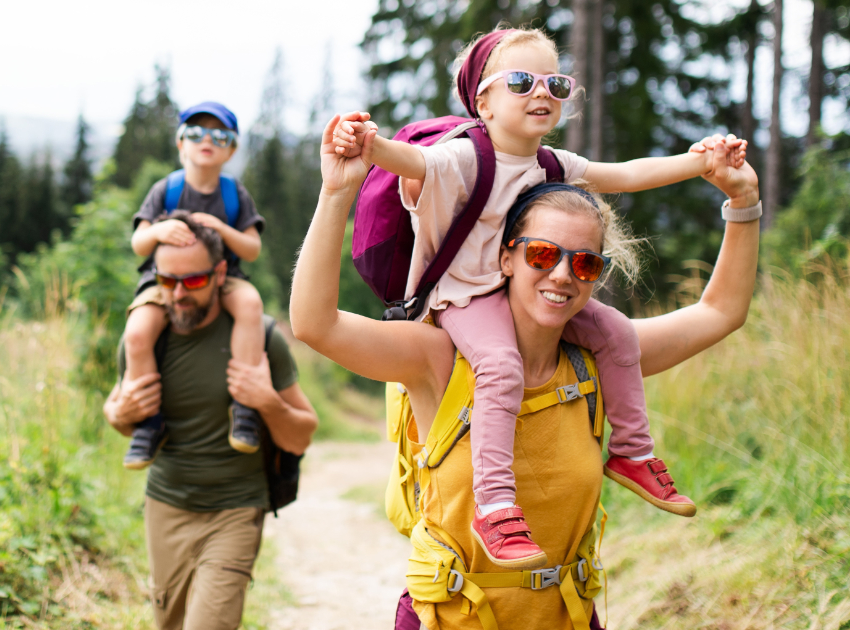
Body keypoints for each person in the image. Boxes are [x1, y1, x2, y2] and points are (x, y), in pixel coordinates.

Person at [292, 111, 760, 628]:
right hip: (452, 618)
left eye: (585, 263)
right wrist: (337, 192)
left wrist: (743, 203)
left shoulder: (600, 361)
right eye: (542, 254)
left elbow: (721, 312)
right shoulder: (440, 358)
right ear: (506, 258)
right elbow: (316, 325)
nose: (562, 274)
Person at [329, 26, 748, 567]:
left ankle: (631, 452)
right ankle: (496, 504)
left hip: (513, 292)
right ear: (483, 99)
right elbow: (410, 162)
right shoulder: (462, 157)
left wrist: (701, 163)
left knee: (617, 332)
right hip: (464, 299)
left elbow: (621, 175)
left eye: (556, 82)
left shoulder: (550, 165)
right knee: (500, 365)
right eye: (522, 81)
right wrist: (364, 144)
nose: (542, 93)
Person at [104, 212, 319, 630]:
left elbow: (302, 435)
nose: (179, 294)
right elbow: (116, 413)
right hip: (166, 506)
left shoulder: (262, 340)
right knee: (170, 622)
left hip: (236, 510)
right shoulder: (146, 338)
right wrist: (120, 414)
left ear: (221, 273)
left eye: (194, 281)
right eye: (167, 281)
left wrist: (266, 402)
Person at [122, 101, 271, 470]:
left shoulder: (234, 193)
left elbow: (251, 248)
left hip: (224, 277)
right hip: (166, 280)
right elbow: (139, 243)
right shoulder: (166, 189)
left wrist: (221, 229)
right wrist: (157, 230)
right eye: (196, 133)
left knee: (251, 307)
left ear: (231, 149)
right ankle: (148, 422)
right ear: (180, 144)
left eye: (219, 135)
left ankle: (244, 407)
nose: (207, 140)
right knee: (138, 333)